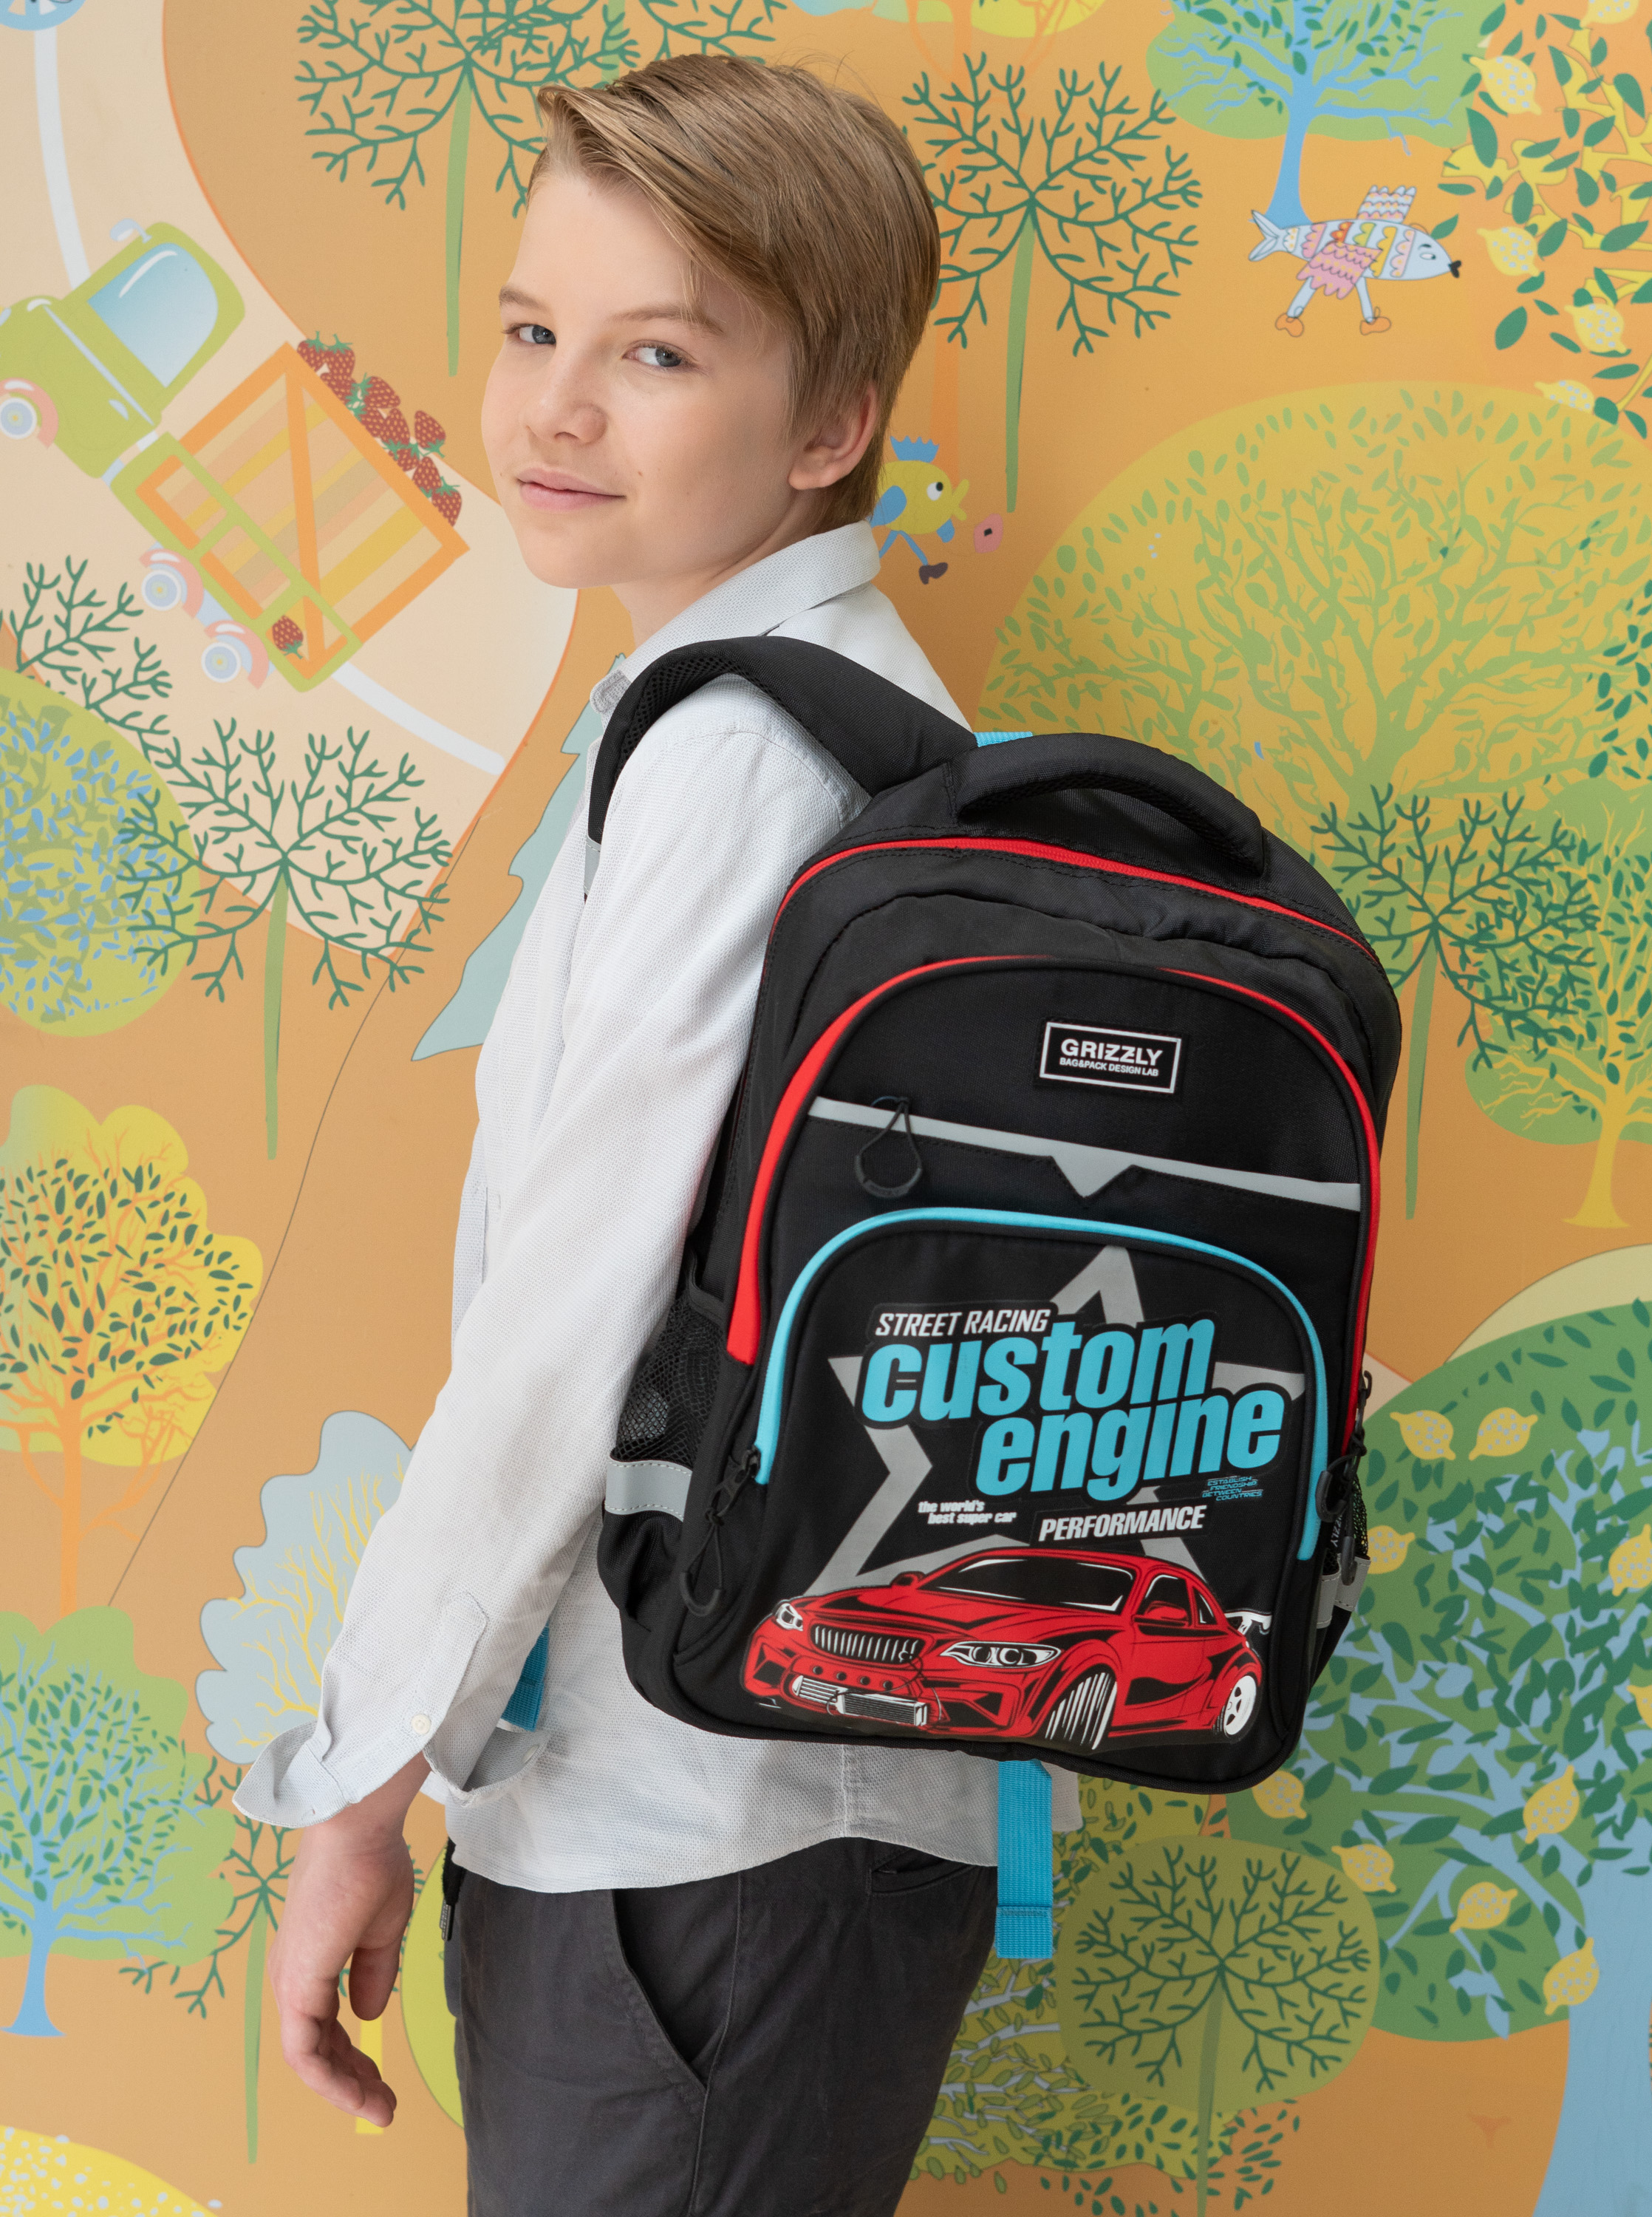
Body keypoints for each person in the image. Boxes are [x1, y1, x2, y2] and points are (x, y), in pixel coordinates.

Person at [239, 54, 1022, 2216]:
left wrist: (356, 1788)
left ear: (829, 421)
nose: (556, 409)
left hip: (692, 1847)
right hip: (743, 1816)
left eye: (656, 354)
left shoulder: (746, 760)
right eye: (531, 329)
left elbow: (564, 1324)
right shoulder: (820, 717)